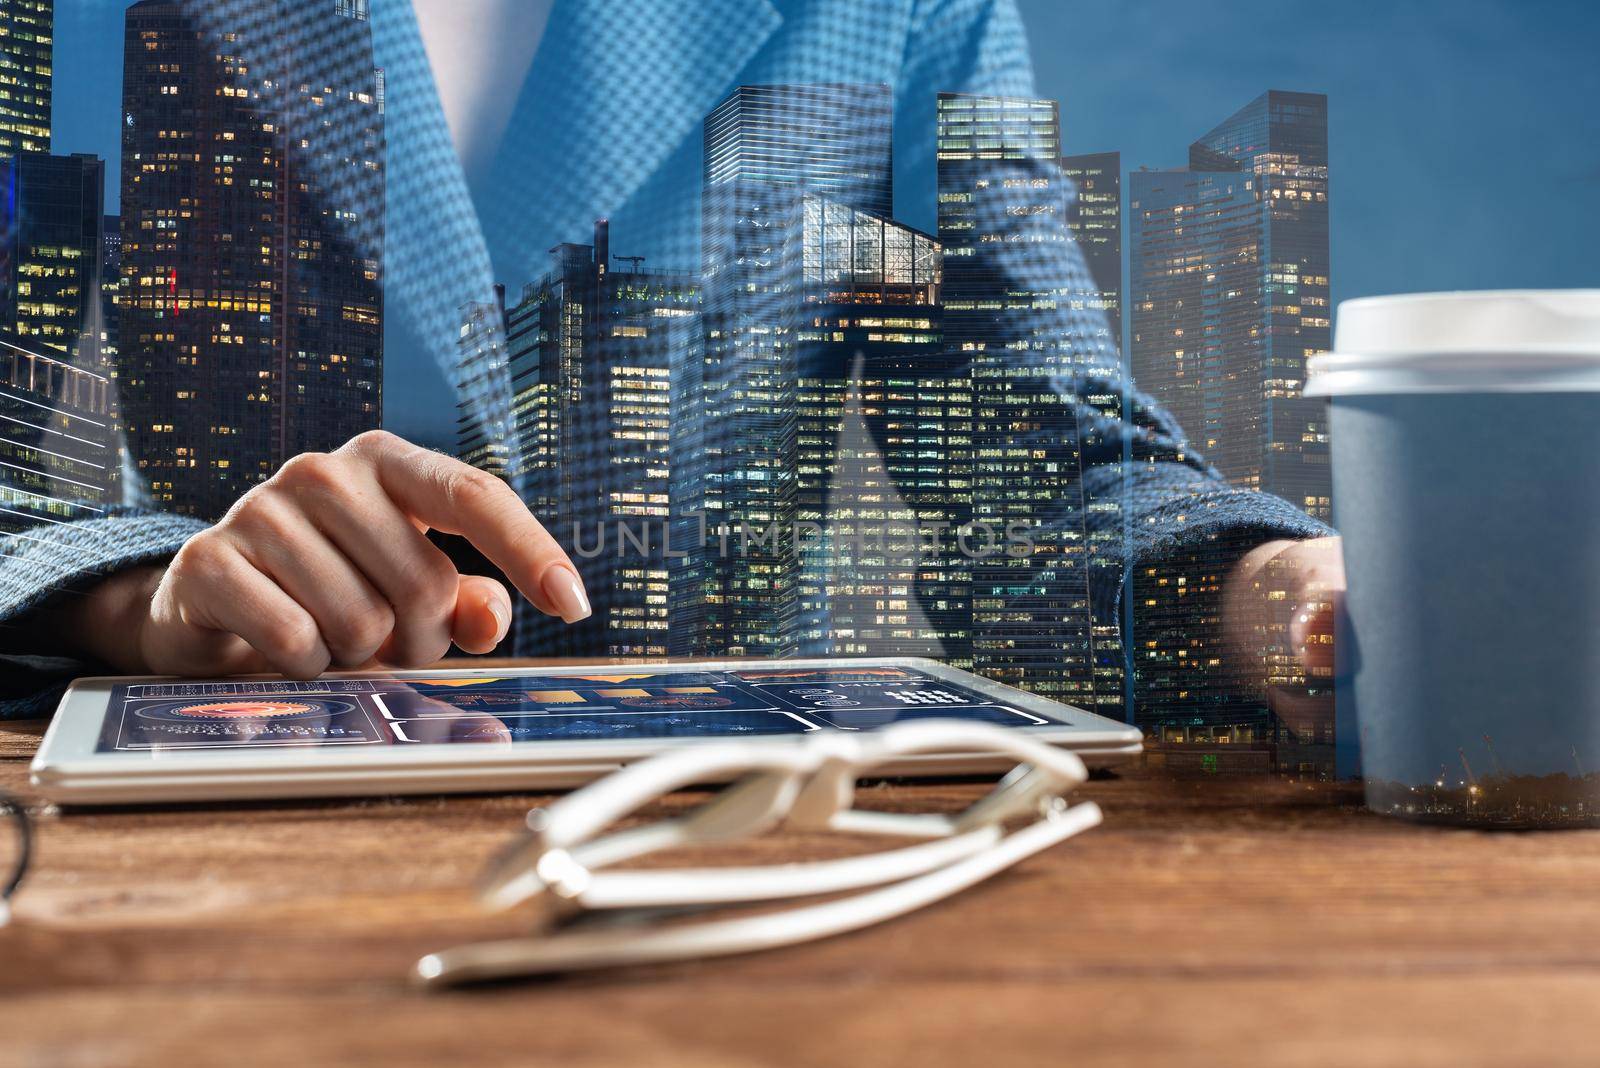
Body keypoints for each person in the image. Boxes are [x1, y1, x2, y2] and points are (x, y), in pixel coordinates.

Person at [1, 0, 1341, 722]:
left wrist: (1274, 595)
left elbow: (1029, 442)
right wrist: (138, 598)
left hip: (738, 843)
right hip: (218, 832)